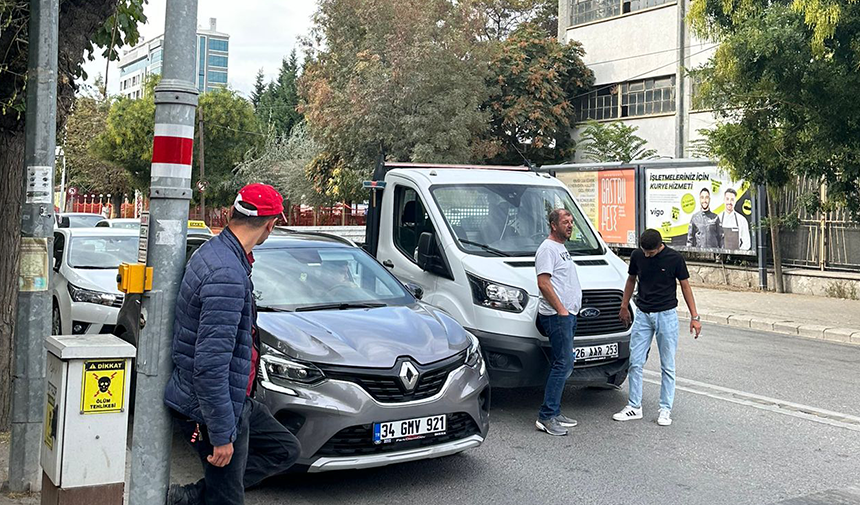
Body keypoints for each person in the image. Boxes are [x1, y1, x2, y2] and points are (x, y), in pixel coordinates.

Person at [165, 183, 301, 505]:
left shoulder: (218, 253)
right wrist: (222, 434)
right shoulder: (226, 273)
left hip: (233, 399)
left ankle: (195, 496)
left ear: (232, 213)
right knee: (228, 500)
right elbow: (210, 367)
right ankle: (193, 497)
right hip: (211, 408)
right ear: (271, 224)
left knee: (285, 449)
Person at [614, 229, 702, 426]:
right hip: (643, 314)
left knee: (667, 365)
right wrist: (624, 305)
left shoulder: (674, 258)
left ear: (660, 246)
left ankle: (665, 409)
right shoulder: (638, 255)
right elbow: (631, 280)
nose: (647, 255)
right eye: (644, 251)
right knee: (635, 361)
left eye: (650, 253)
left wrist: (695, 316)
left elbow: (685, 286)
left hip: (666, 315)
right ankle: (634, 406)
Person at [534, 208, 582, 436]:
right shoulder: (547, 249)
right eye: (566, 221)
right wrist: (562, 310)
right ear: (554, 225)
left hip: (567, 315)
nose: (570, 225)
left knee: (563, 363)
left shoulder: (561, 248)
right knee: (563, 364)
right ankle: (546, 416)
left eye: (571, 221)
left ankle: (555, 411)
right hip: (557, 316)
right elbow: (543, 283)